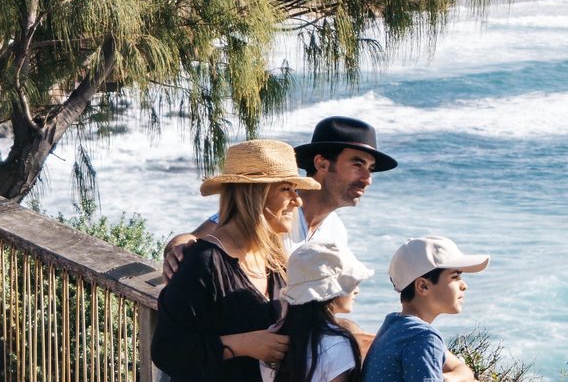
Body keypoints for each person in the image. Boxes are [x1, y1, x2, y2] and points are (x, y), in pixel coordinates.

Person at [152, 140, 313, 382]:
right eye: (287, 189)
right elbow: (167, 349)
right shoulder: (203, 262)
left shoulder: (274, 262)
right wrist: (241, 345)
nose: (297, 201)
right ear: (256, 194)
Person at [163, 116, 398, 277]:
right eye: (358, 165)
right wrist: (179, 249)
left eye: (371, 168)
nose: (368, 178)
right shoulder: (271, 210)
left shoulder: (336, 232)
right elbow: (196, 237)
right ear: (322, 163)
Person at [346, 237, 490, 382]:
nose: (464, 285)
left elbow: (463, 369)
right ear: (423, 286)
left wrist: (452, 379)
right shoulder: (424, 337)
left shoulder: (395, 325)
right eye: (455, 277)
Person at [263, 244, 370, 382]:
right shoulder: (337, 343)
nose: (357, 289)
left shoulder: (273, 335)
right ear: (329, 293)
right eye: (351, 284)